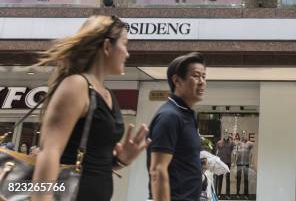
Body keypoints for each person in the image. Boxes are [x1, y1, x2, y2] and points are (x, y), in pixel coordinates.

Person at [32, 15, 150, 201]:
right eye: (125, 44)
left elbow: (93, 162)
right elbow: (50, 152)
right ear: (107, 46)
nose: (127, 54)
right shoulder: (76, 85)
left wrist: (120, 160)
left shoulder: (107, 94)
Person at [148, 52, 207, 201]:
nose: (202, 82)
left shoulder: (188, 114)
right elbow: (157, 170)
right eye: (196, 76)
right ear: (177, 80)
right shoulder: (170, 116)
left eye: (204, 76)